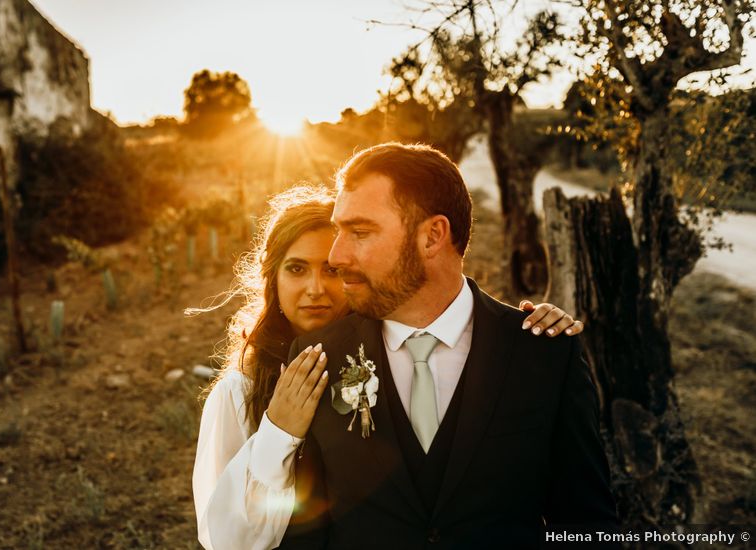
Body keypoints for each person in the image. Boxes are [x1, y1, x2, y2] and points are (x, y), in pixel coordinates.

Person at [191, 184, 586, 550]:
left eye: (332, 269)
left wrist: (522, 328)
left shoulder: (401, 351)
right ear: (271, 278)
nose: (316, 289)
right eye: (296, 269)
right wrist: (277, 431)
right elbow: (225, 540)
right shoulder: (240, 392)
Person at [277, 144, 618, 549]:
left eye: (361, 233)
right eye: (339, 231)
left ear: (433, 236)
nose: (336, 255)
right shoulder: (318, 357)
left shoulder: (544, 353)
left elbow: (586, 523)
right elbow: (307, 530)